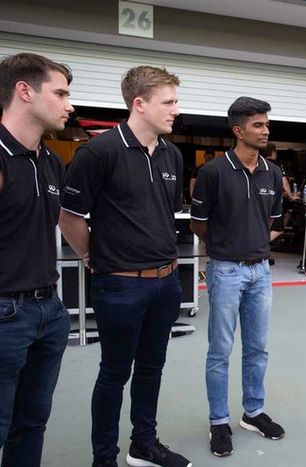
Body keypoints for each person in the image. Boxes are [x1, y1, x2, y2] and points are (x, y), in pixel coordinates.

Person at [59, 66, 191, 467]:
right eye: (168, 102)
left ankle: (143, 445)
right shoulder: (99, 152)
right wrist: (92, 259)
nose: (176, 110)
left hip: (166, 282)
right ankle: (104, 458)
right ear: (139, 103)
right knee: (114, 373)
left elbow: (165, 214)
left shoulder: (172, 154)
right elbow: (69, 216)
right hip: (119, 285)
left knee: (152, 367)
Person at [190, 96, 285, 458]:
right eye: (258, 125)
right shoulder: (213, 173)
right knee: (220, 350)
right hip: (225, 269)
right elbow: (200, 223)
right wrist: (225, 247)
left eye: (266, 124)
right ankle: (218, 421)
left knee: (258, 347)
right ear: (238, 130)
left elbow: (271, 219)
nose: (265, 130)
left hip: (261, 270)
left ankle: (253, 412)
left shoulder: (273, 173)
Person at [0, 53, 73, 467]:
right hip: (5, 313)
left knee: (31, 422)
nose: (70, 104)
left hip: (49, 310)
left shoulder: (50, 163)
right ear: (24, 91)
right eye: (60, 93)